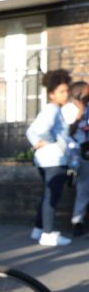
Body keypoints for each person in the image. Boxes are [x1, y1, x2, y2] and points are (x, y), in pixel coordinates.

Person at [26, 69, 73, 247]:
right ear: (51, 94)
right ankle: (47, 234)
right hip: (54, 160)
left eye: (67, 90)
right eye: (62, 91)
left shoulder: (51, 110)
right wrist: (53, 141)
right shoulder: (53, 110)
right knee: (52, 197)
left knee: (48, 195)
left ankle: (38, 229)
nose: (66, 94)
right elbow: (39, 130)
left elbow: (31, 131)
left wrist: (39, 141)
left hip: (45, 160)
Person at [66, 81, 89, 237]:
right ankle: (77, 222)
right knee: (83, 189)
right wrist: (79, 114)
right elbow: (68, 131)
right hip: (77, 153)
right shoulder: (69, 109)